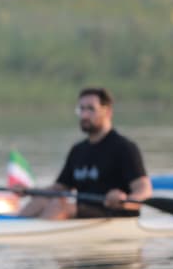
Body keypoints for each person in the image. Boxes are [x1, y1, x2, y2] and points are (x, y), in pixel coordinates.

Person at [15, 87, 151, 219]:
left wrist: (125, 201)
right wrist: (30, 191)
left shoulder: (124, 148)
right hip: (84, 212)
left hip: (113, 215)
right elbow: (60, 188)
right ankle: (15, 227)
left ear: (108, 111)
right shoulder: (78, 150)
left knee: (59, 205)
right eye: (81, 109)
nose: (84, 115)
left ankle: (34, 232)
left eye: (91, 109)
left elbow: (144, 190)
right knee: (41, 200)